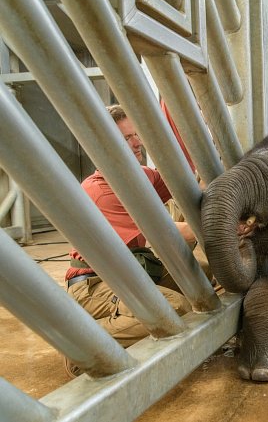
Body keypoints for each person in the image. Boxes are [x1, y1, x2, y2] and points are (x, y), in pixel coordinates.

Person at [64, 104, 206, 377]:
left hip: (133, 270)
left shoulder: (141, 175)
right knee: (175, 307)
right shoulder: (100, 191)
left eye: (135, 134)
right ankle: (83, 349)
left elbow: (184, 181)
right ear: (103, 145)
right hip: (95, 284)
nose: (137, 142)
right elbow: (167, 231)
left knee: (201, 277)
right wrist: (223, 225)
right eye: (126, 138)